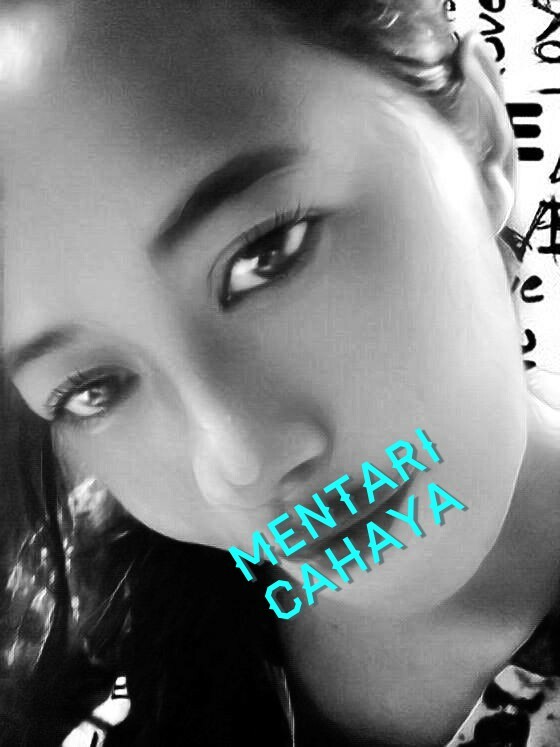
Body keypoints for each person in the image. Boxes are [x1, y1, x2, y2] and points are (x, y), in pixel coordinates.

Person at [1, 0, 559, 744]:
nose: (243, 462)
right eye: (92, 389)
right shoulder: (83, 626)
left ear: (483, 141)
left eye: (266, 254)